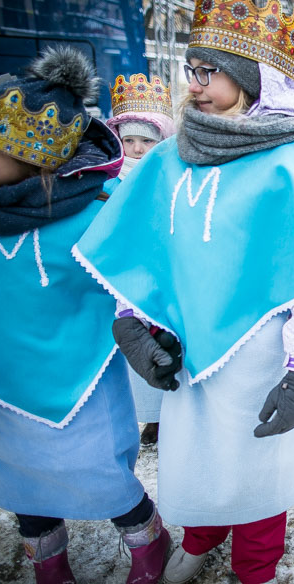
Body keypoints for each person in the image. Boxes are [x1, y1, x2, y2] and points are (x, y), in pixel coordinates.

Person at [74, 0, 294, 584]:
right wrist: (131, 322)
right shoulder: (170, 157)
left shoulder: (291, 160)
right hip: (187, 349)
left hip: (262, 350)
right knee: (198, 459)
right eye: (192, 70)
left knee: (257, 467)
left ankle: (256, 566)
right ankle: (200, 538)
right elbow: (143, 247)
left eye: (209, 72)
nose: (195, 84)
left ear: (251, 79)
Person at [0, 46, 169, 584]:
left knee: (98, 467)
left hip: (82, 377)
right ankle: (47, 557)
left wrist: (151, 330)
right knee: (20, 475)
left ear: (31, 152)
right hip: (2, 383)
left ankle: (147, 537)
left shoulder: (94, 214)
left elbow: (140, 274)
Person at [104, 72, 176, 446]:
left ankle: (170, 411)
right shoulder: (106, 182)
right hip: (121, 277)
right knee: (132, 350)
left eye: (146, 141)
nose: (136, 149)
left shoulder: (172, 176)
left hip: (162, 275)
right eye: (128, 140)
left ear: (161, 141)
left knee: (163, 341)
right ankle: (150, 416)